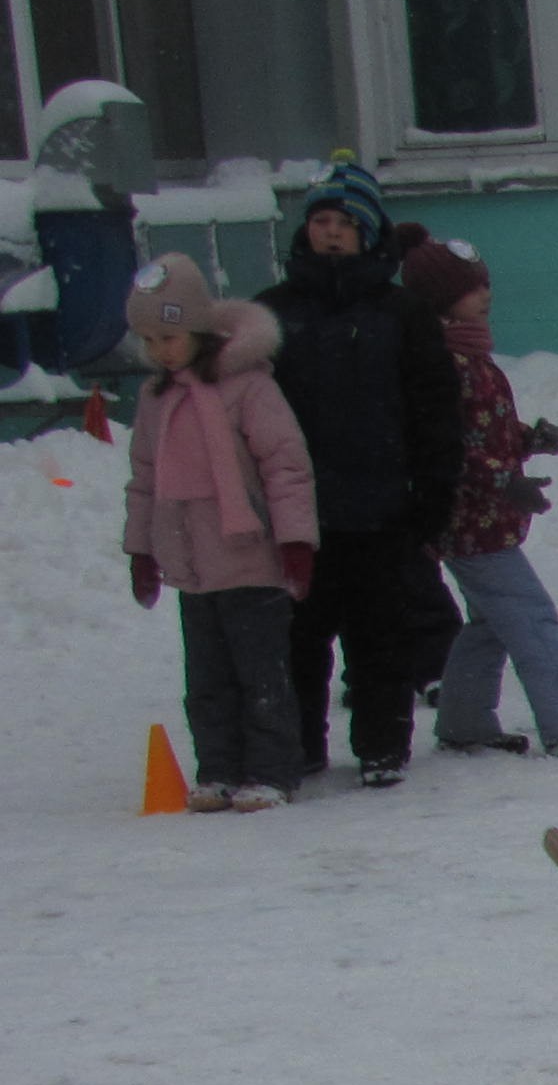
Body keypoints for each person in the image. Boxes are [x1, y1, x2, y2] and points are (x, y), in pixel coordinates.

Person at [260, 154, 464, 789]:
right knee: (299, 639)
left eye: (344, 222)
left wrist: (432, 496)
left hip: (382, 507)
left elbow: (435, 409)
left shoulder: (400, 314)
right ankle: (300, 746)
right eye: (320, 220)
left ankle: (382, 746)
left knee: (380, 636)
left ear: (369, 231)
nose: (331, 232)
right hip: (297, 512)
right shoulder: (273, 312)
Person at [393, 227, 558, 759]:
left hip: (482, 516)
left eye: (485, 284)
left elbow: (483, 431)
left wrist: (529, 440)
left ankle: (463, 722)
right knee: (530, 615)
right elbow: (444, 448)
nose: (486, 294)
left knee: (489, 622)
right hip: (469, 521)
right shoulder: (439, 365)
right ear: (440, 300)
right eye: (473, 287)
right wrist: (506, 481)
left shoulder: (469, 357)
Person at [119, 255, 317, 811]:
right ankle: (219, 769)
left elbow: (285, 464)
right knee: (206, 680)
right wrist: (141, 549)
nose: (160, 350)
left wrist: (296, 540)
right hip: (193, 565)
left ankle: (273, 771)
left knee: (262, 673)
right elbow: (145, 479)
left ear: (198, 329)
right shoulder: (156, 399)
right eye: (149, 339)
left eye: (169, 335)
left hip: (251, 559)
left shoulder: (248, 388)